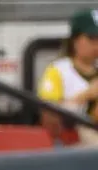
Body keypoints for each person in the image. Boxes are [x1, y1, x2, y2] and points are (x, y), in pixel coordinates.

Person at [38, 9, 98, 146]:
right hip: (71, 145)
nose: (96, 45)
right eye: (92, 38)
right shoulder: (58, 70)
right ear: (75, 40)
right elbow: (49, 120)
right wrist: (86, 96)